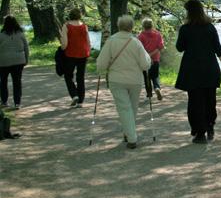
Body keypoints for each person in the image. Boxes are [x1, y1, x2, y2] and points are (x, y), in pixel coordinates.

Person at [175, 0, 221, 144]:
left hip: (192, 70)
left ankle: (199, 133)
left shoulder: (185, 29)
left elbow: (179, 48)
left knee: (194, 102)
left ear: (188, 12)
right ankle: (210, 126)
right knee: (210, 99)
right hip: (210, 68)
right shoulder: (210, 27)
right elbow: (218, 49)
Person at [96, 15, 151, 149]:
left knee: (124, 108)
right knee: (132, 108)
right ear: (131, 27)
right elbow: (145, 65)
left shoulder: (111, 41)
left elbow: (101, 64)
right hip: (135, 80)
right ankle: (130, 135)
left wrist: (104, 68)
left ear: (118, 26)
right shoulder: (136, 42)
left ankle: (131, 136)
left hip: (117, 80)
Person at [60, 8, 91, 108]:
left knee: (68, 76)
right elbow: (88, 41)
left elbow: (64, 44)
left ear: (70, 15)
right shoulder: (84, 26)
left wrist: (61, 48)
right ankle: (81, 101)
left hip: (71, 54)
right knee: (80, 77)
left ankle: (74, 95)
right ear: (80, 15)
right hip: (83, 54)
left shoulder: (66, 26)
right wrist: (88, 52)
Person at [0, 15, 29, 110]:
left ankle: (4, 101)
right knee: (17, 82)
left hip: (3, 61)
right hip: (18, 61)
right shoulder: (21, 34)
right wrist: (26, 59)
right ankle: (17, 103)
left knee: (3, 81)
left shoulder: (1, 35)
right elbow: (26, 48)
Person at [138, 18, 165, 101]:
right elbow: (161, 47)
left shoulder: (141, 35)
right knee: (155, 76)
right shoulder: (157, 34)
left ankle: (149, 94)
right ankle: (157, 88)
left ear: (143, 26)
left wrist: (148, 56)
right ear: (152, 25)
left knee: (147, 77)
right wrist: (152, 54)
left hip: (145, 60)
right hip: (155, 59)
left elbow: (139, 48)